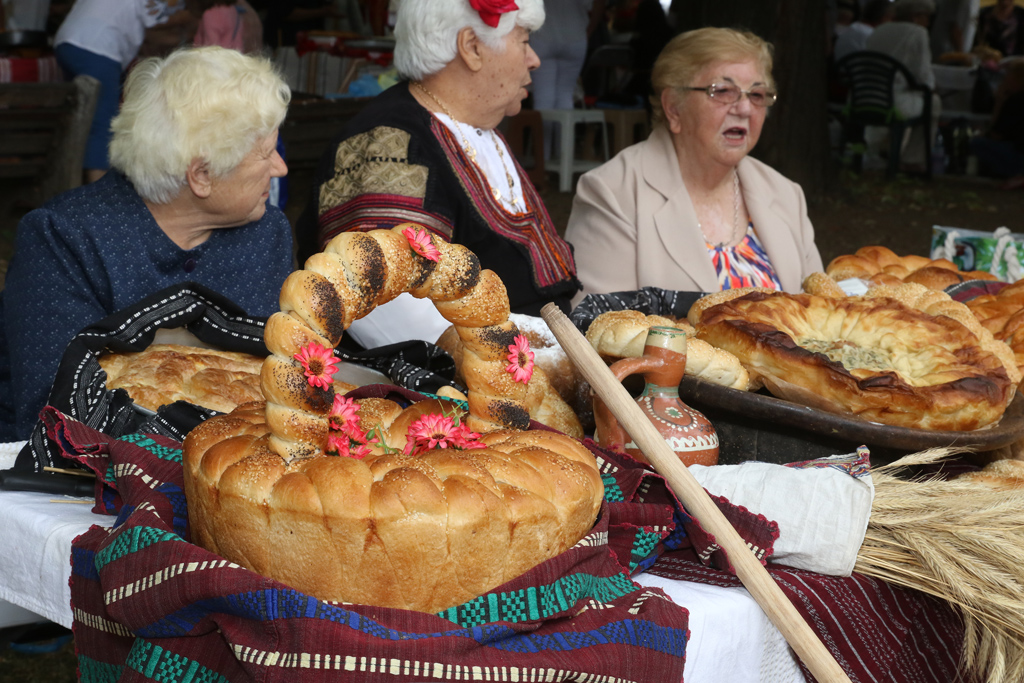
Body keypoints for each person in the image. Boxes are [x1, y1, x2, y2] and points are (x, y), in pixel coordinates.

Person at [0, 46, 293, 442]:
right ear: (201, 176)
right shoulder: (64, 239)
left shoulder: (267, 232)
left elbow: (285, 382)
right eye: (266, 153)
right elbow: (54, 416)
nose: (281, 168)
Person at [295, 0, 580, 348]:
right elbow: (384, 303)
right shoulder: (389, 141)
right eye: (523, 41)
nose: (534, 59)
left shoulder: (474, 128)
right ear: (471, 47)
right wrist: (522, 355)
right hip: (451, 385)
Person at [564, 27, 823, 302]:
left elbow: (823, 313)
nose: (745, 109)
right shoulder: (613, 193)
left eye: (757, 95)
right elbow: (599, 327)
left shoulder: (786, 194)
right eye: (723, 91)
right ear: (673, 108)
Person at [53, 0, 195, 184]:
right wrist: (193, 16)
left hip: (67, 42)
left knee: (76, 118)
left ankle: (69, 183)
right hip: (99, 47)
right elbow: (158, 25)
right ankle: (100, 194)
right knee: (102, 123)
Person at [865, 0, 940, 171]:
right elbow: (923, 77)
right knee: (933, 103)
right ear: (916, 17)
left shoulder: (879, 30)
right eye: (926, 17)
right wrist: (932, 86)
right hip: (893, 100)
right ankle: (913, 159)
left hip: (865, 96)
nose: (928, 22)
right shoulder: (918, 33)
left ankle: (887, 151)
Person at [529, 0, 597, 160]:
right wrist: (590, 29)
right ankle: (564, 160)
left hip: (543, 34)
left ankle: (542, 164)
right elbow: (597, 4)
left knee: (543, 99)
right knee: (565, 97)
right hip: (575, 35)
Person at [970, 58, 1024, 184]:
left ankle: (1012, 173)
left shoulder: (1015, 100)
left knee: (977, 143)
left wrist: (999, 102)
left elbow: (996, 134)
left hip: (1019, 155)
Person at [193, 0, 264, 55]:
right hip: (232, 60)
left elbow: (211, 47)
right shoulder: (234, 11)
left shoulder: (210, 15)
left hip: (215, 63)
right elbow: (238, 42)